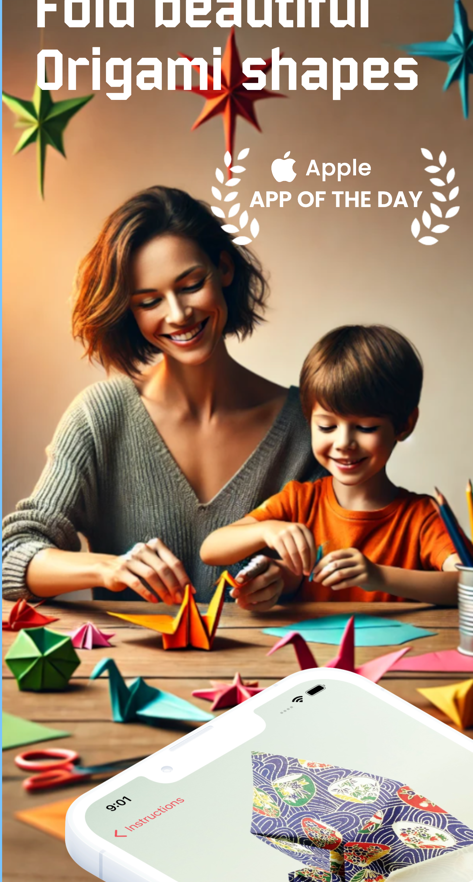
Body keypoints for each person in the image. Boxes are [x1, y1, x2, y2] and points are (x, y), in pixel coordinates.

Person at [2, 187, 323, 607]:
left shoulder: (307, 425)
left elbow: (339, 556)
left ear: (224, 268)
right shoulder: (101, 417)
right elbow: (12, 555)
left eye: (191, 285)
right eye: (150, 301)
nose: (178, 314)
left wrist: (287, 579)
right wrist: (110, 568)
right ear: (130, 312)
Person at [201, 324, 461, 606]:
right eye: (327, 427)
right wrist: (267, 531)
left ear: (405, 424)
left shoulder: (424, 517)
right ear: (309, 419)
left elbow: (467, 583)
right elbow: (211, 549)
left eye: (366, 427)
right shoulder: (300, 501)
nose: (344, 443)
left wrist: (379, 576)